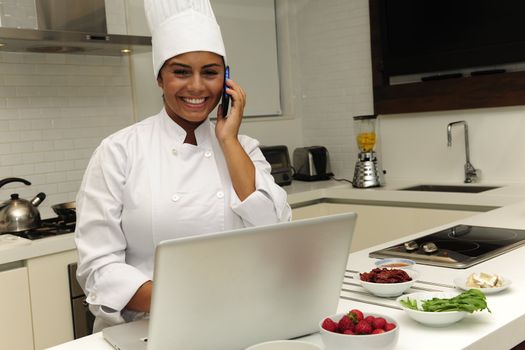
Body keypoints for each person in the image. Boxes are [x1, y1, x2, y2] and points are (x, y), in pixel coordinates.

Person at [74, 0, 291, 331]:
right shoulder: (119, 151)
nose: (197, 87)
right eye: (180, 71)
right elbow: (98, 266)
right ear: (160, 78)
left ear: (227, 81)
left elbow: (277, 234)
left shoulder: (243, 147)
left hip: (236, 320)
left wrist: (229, 141)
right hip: (148, 326)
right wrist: (184, 299)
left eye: (210, 73)